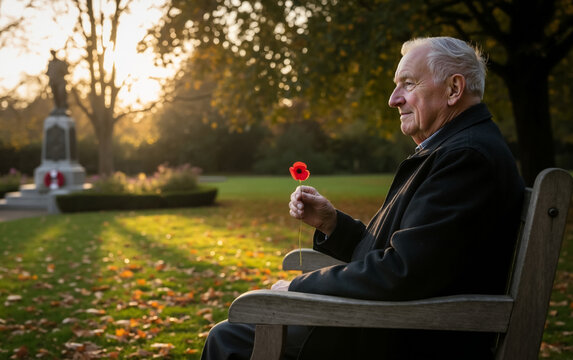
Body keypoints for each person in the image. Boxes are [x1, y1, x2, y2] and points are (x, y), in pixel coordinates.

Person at [201, 36, 525, 359]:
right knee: (233, 333)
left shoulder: (465, 158)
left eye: (408, 84)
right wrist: (333, 223)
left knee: (229, 339)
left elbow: (402, 273)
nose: (393, 99)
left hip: (402, 340)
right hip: (393, 329)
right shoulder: (454, 150)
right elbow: (405, 258)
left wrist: (300, 289)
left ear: (454, 89)